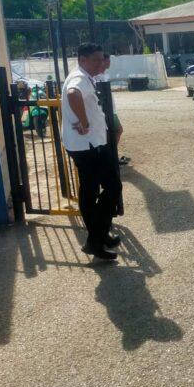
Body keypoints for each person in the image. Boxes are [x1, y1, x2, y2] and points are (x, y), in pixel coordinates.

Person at [61, 43, 122, 261]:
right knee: (110, 187)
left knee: (92, 190)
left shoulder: (85, 76)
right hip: (87, 146)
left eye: (101, 59)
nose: (100, 63)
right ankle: (95, 240)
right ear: (82, 59)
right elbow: (73, 94)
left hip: (89, 144)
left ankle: (98, 237)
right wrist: (84, 122)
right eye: (96, 60)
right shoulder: (79, 78)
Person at [94, 53, 129, 165]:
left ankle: (111, 155)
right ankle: (111, 155)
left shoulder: (103, 75)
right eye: (107, 61)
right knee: (117, 130)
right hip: (106, 110)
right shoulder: (97, 76)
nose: (109, 63)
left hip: (110, 109)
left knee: (113, 133)